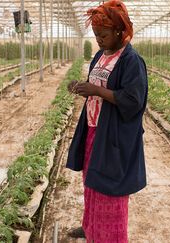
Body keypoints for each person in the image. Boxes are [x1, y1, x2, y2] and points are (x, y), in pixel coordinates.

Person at [66, 0, 148, 242]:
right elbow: (98, 84)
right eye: (95, 35)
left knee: (109, 189)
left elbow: (134, 101)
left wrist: (97, 91)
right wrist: (81, 87)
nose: (98, 40)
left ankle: (109, 237)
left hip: (114, 136)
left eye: (103, 35)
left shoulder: (131, 60)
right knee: (91, 182)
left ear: (119, 32)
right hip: (95, 130)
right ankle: (90, 227)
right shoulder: (102, 55)